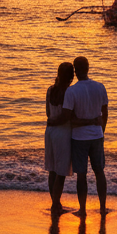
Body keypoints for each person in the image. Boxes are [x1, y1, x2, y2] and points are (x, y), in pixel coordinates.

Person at [49, 55, 109, 215]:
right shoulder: (100, 87)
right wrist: (100, 130)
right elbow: (105, 114)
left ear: (75, 72)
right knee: (99, 172)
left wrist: (53, 122)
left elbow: (69, 118)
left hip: (79, 138)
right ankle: (102, 208)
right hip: (97, 136)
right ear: (88, 68)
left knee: (81, 175)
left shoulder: (72, 91)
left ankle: (83, 210)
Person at [44, 61, 75, 211]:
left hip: (49, 132)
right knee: (61, 172)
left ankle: (55, 202)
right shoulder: (69, 92)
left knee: (52, 170)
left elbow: (48, 113)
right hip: (63, 133)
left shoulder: (50, 90)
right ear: (71, 76)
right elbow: (66, 116)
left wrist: (53, 121)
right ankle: (56, 204)